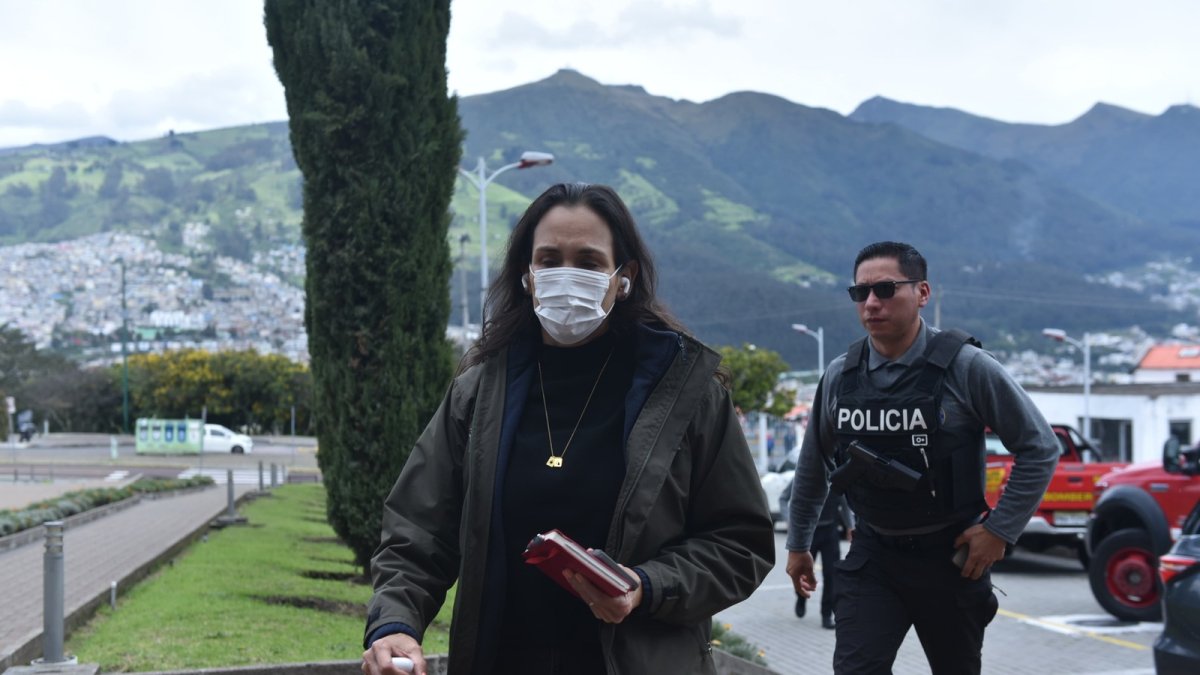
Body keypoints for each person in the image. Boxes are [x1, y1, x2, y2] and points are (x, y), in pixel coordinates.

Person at [362, 182, 775, 675]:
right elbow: (417, 530)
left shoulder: (687, 393)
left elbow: (740, 541)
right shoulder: (478, 393)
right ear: (527, 275)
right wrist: (395, 624)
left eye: (589, 261)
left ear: (624, 277)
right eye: (550, 259)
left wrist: (646, 585)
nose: (566, 274)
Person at [785, 241, 1058, 674]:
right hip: (873, 555)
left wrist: (1000, 531)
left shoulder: (966, 367)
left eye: (886, 289)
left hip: (949, 561)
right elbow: (814, 463)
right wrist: (799, 544)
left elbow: (1040, 447)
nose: (872, 303)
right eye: (861, 293)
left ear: (923, 293)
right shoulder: (841, 374)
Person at [791, 491, 852, 629]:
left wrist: (850, 525)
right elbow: (787, 499)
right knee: (804, 571)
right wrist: (790, 522)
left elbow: (845, 504)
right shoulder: (806, 476)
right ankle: (801, 597)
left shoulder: (834, 479)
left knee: (831, 575)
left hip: (830, 532)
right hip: (809, 533)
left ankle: (826, 615)